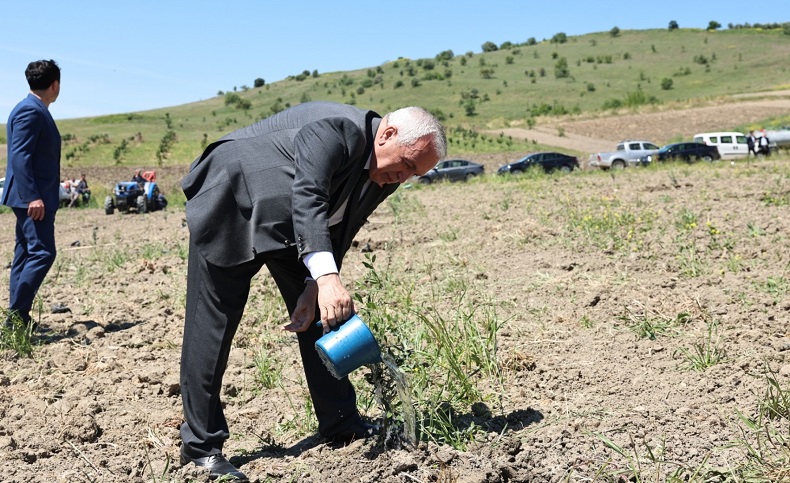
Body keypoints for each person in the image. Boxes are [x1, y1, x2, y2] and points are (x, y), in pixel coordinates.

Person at [179, 101, 445, 481]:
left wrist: (312, 283)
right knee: (212, 326)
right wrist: (327, 278)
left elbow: (343, 227)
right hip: (234, 199)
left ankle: (341, 423)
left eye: (414, 174)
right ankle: (201, 449)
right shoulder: (338, 129)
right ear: (387, 135)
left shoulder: (385, 173)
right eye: (406, 164)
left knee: (325, 314)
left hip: (293, 225)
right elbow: (309, 195)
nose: (403, 177)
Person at [1, 59, 61, 330]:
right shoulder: (31, 111)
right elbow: (20, 155)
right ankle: (16, 318)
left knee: (26, 253)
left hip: (30, 196)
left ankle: (19, 319)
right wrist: (32, 196)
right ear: (55, 85)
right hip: (33, 199)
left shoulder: (29, 108)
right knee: (42, 253)